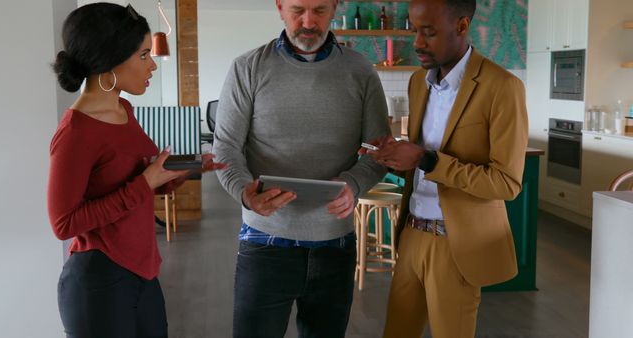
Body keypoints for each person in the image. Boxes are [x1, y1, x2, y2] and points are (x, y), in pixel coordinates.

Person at [212, 0, 390, 336]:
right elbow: (226, 147)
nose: (308, 22)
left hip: (335, 245)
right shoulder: (247, 67)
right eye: (298, 10)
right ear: (279, 7)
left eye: (320, 10)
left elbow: (378, 151)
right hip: (265, 240)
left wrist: (353, 183)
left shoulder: (361, 69)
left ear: (335, 7)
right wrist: (244, 193)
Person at [47, 3, 225, 337]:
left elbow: (136, 180)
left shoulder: (124, 109)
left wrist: (177, 172)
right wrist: (145, 184)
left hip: (143, 270)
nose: (152, 65)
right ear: (109, 60)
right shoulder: (75, 132)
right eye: (143, 55)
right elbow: (63, 223)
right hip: (99, 280)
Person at [365, 0, 529, 337]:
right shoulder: (417, 83)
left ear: (462, 26)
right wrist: (395, 156)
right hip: (410, 234)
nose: (418, 43)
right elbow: (419, 164)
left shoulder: (503, 87)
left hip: (455, 244)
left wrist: (426, 160)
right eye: (414, 31)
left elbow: (506, 183)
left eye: (429, 32)